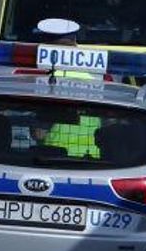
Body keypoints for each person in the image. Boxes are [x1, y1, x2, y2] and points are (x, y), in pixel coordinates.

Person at [34, 19, 101, 158]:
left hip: (55, 158)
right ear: (75, 40)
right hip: (93, 161)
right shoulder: (93, 79)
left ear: (45, 44)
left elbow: (39, 133)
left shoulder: (48, 83)